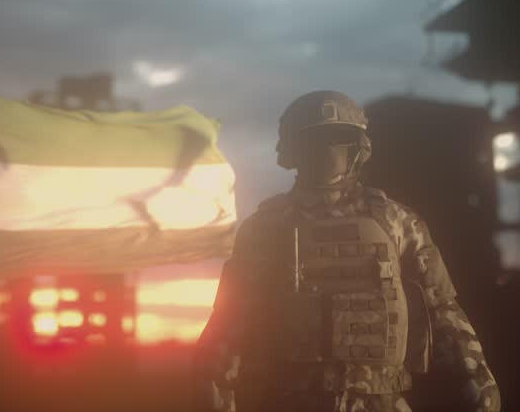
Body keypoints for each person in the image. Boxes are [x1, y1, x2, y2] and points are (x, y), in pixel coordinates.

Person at [194, 91, 500, 412]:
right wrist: (215, 387)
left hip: (381, 400)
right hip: (292, 399)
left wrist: (479, 385)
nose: (328, 150)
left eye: (337, 139)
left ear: (360, 147)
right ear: (293, 151)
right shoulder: (265, 229)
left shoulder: (397, 222)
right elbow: (229, 323)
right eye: (316, 139)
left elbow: (443, 311)